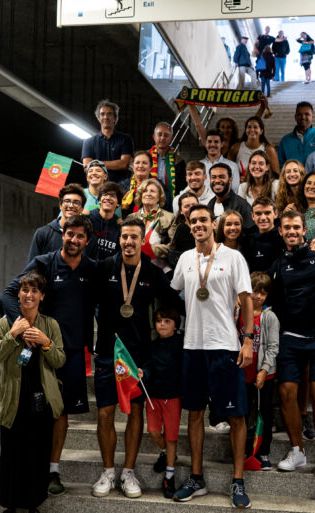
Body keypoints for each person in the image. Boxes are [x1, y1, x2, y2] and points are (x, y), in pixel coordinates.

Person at [0, 215, 95, 497]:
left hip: (71, 352)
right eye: (70, 234)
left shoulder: (91, 268)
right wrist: (23, 327)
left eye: (80, 236)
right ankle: (14, 471)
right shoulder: (43, 262)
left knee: (59, 410)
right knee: (26, 406)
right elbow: (8, 294)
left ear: (87, 241)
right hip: (38, 349)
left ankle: (52, 470)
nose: (74, 240)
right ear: (62, 234)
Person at [90, 217, 183, 499]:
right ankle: (108, 471)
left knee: (135, 413)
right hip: (108, 353)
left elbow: (174, 301)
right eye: (124, 237)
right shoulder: (104, 267)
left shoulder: (152, 272)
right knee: (105, 413)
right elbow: (88, 303)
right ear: (119, 239)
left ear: (143, 240)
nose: (128, 242)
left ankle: (128, 471)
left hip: (138, 356)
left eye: (134, 237)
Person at [170, 204, 254, 508]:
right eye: (193, 221)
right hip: (193, 346)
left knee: (236, 415)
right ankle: (197, 478)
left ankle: (238, 480)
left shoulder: (233, 257)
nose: (198, 225)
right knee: (194, 414)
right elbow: (173, 292)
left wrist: (248, 339)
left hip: (225, 346)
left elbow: (246, 299)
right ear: (188, 224)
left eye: (203, 220)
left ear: (213, 223)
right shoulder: (184, 259)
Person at [269, 210, 315, 477]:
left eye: (296, 227)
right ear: (280, 231)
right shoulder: (278, 264)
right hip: (291, 337)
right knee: (287, 392)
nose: (291, 231)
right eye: (286, 227)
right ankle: (297, 451)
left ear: (304, 229)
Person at [0, 270, 66, 513]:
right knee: (12, 454)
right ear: (18, 294)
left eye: (34, 291)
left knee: (37, 454)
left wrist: (46, 342)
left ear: (42, 296)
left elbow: (60, 360)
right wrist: (13, 335)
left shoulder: (50, 325)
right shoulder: (5, 323)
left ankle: (34, 504)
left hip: (41, 399)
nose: (29, 295)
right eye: (25, 290)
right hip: (13, 398)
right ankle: (10, 505)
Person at [239, 271, 279, 471]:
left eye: (263, 293)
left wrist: (263, 370)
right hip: (242, 374)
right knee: (243, 414)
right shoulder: (238, 314)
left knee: (264, 413)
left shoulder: (269, 317)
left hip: (263, 374)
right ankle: (245, 451)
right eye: (254, 291)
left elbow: (273, 347)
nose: (258, 296)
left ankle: (263, 451)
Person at [145, 307, 184, 498]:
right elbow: (148, 367)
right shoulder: (151, 346)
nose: (162, 324)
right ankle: (165, 452)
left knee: (171, 437)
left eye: (167, 321)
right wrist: (143, 372)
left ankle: (169, 475)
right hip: (153, 396)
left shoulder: (181, 344)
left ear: (176, 325)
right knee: (154, 432)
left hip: (172, 396)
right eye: (159, 321)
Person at [187, 110, 248, 189]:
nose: (225, 130)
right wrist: (190, 105)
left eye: (228, 127)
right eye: (222, 127)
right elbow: (198, 125)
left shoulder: (237, 145)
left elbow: (249, 130)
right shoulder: (211, 145)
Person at [28, 184, 86, 261]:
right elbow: (32, 266)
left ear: (82, 209)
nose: (71, 205)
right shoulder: (42, 233)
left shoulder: (86, 236)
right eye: (67, 201)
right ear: (60, 205)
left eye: (76, 202)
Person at [82, 99, 134, 183]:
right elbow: (88, 167)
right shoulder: (88, 142)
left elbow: (124, 164)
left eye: (109, 114)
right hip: (97, 187)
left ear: (115, 118)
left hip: (120, 187)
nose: (106, 117)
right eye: (102, 114)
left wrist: (97, 164)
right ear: (99, 118)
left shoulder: (126, 139)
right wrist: (114, 164)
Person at [128, 178, 175, 269]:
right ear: (141, 195)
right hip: (132, 266)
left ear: (159, 197)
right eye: (145, 191)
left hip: (159, 268)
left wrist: (151, 248)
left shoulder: (170, 218)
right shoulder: (131, 218)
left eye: (152, 191)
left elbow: (173, 246)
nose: (148, 194)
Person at [148, 121, 186, 209]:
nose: (162, 138)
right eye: (159, 135)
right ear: (154, 137)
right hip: (148, 200)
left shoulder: (179, 161)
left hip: (170, 203)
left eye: (166, 135)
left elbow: (182, 186)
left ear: (171, 138)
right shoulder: (145, 158)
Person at [242, 196, 285, 273]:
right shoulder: (247, 240)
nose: (263, 218)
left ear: (275, 214)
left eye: (267, 213)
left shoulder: (285, 237)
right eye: (258, 213)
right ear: (252, 216)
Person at [206, 163, 254, 229]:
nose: (217, 180)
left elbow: (251, 232)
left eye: (221, 177)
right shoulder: (209, 205)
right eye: (213, 177)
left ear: (230, 180)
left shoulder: (242, 206)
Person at [85, 182, 123, 262]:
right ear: (99, 200)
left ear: (118, 203)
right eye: (105, 194)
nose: (108, 198)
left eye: (113, 196)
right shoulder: (87, 219)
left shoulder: (120, 227)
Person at [277, 102, 315, 167]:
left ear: (312, 116)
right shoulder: (285, 140)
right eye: (299, 114)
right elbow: (280, 164)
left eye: (307, 114)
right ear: (295, 117)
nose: (303, 117)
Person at [166, 191, 199, 270]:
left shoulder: (209, 223)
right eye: (187, 206)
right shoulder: (181, 230)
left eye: (194, 205)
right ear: (181, 211)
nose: (191, 208)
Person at [120, 150, 153, 216]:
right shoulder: (122, 186)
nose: (140, 166)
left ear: (150, 167)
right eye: (137, 163)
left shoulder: (158, 187)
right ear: (132, 166)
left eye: (144, 163)